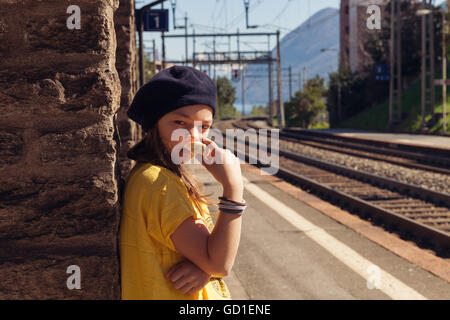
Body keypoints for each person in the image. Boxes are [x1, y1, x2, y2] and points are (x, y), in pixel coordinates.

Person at [119, 65, 246, 300]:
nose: (193, 136)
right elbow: (220, 263)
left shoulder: (156, 176)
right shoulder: (157, 185)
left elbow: (210, 258)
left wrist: (204, 269)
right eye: (180, 122)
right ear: (154, 124)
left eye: (204, 127)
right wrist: (233, 188)